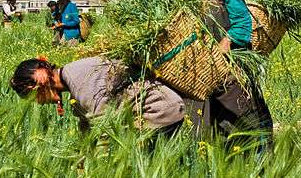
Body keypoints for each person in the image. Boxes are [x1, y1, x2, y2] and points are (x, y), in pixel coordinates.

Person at [168, 0, 273, 148]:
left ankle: (259, 160)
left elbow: (242, 24)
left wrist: (226, 42)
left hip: (231, 68)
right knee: (205, 124)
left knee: (243, 119)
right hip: (201, 72)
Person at [10, 56, 185, 135]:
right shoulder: (72, 85)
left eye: (34, 99)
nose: (39, 104)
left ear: (40, 83)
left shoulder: (80, 83)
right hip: (150, 114)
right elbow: (88, 128)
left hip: (157, 112)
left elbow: (104, 131)